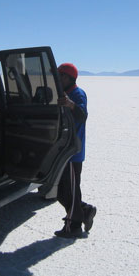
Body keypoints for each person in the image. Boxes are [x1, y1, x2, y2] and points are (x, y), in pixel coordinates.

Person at [54, 62, 96, 239]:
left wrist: (71, 105)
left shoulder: (78, 94)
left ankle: (73, 227)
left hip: (73, 152)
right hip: (63, 150)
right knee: (61, 193)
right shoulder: (63, 94)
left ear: (70, 78)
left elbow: (82, 116)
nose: (59, 79)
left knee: (70, 191)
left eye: (62, 76)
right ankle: (85, 211)